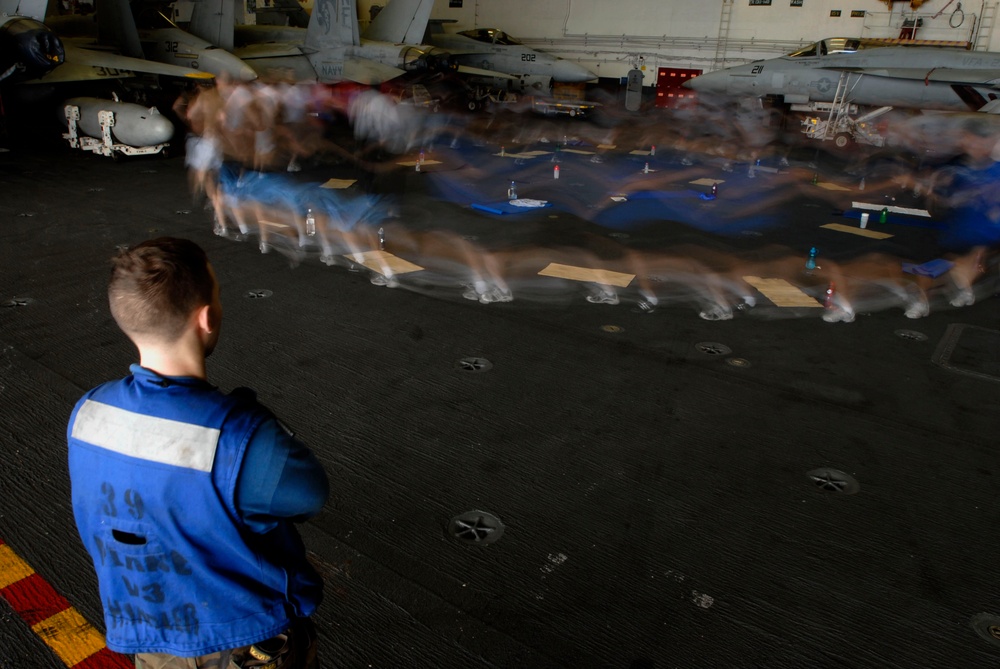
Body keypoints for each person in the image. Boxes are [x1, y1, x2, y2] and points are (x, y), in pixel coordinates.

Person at [67, 238, 329, 669]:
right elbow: (309, 493)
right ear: (205, 318)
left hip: (153, 642)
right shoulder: (242, 438)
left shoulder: (89, 412)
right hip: (244, 642)